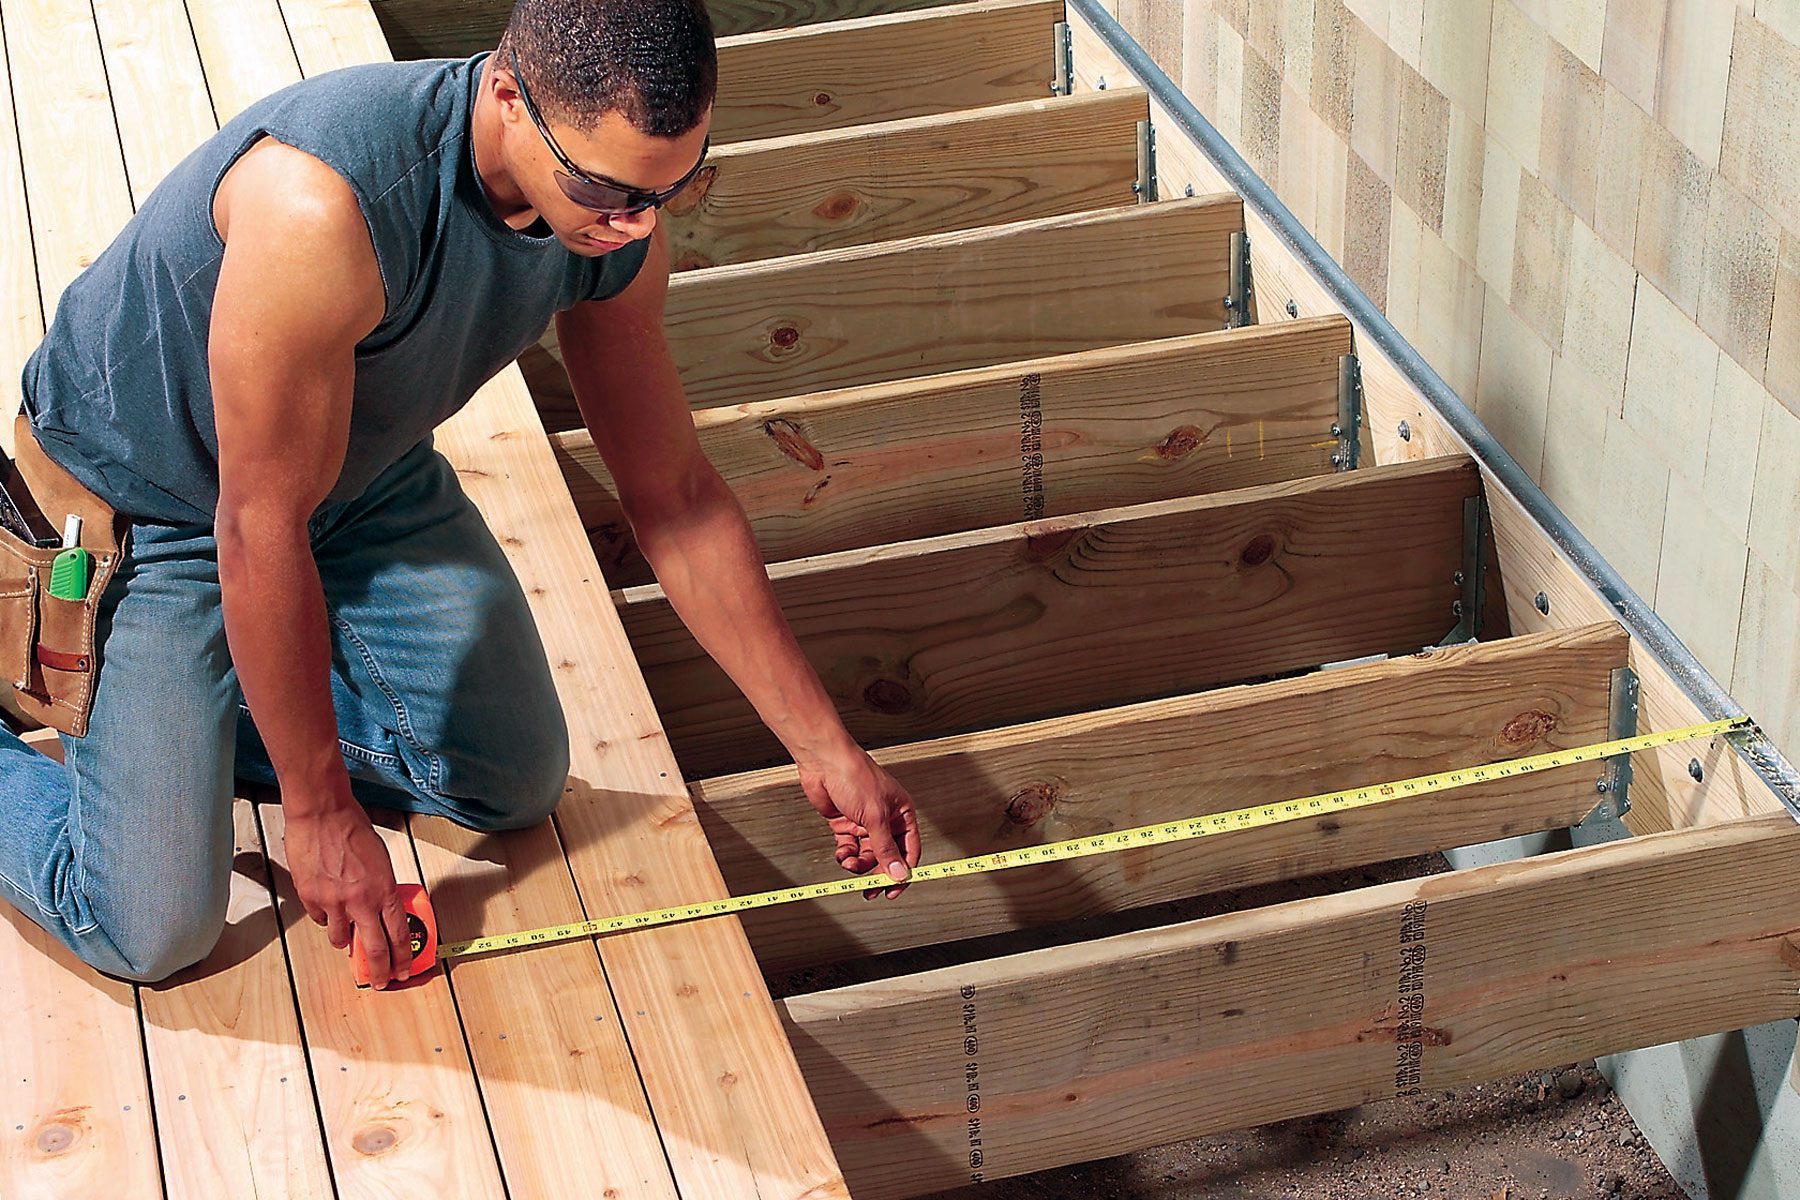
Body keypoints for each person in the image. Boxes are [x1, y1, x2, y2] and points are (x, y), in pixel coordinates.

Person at [0, 0, 920, 990]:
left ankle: (190, 716)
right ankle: (116, 702)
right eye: (607, 189)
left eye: (673, 186)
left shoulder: (617, 224)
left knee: (510, 776)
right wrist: (317, 814)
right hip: (153, 511)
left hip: (361, 475)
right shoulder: (324, 208)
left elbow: (680, 501)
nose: (637, 224)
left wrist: (824, 747)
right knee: (152, 928)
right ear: (508, 96)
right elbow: (257, 529)